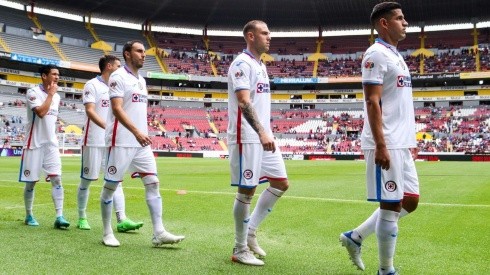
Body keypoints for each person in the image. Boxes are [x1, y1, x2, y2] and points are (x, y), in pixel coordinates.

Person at [339, 3, 419, 275]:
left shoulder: (395, 55)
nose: (405, 22)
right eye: (399, 18)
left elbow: (398, 102)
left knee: (410, 200)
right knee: (392, 203)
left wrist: (411, 139)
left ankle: (356, 236)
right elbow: (372, 101)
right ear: (384, 23)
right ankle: (386, 270)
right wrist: (382, 144)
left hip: (401, 141)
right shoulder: (375, 54)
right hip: (385, 141)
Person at [100, 40, 184, 247]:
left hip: (140, 142)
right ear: (127, 54)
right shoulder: (118, 77)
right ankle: (106, 232)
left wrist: (141, 134)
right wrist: (137, 132)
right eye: (139, 51)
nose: (143, 55)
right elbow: (117, 109)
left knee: (153, 183)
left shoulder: (141, 80)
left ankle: (159, 233)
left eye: (144, 52)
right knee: (111, 186)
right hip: (120, 140)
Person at [227, 20, 289, 266]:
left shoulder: (260, 65)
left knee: (281, 183)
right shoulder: (242, 64)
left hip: (263, 135)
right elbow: (243, 102)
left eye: (269, 33)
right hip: (248, 135)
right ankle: (239, 248)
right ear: (250, 36)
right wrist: (263, 132)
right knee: (247, 190)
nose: (269, 37)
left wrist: (266, 133)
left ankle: (250, 233)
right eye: (264, 33)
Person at [77, 55, 143, 232]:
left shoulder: (118, 85)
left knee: (116, 180)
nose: (121, 68)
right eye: (118, 65)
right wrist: (108, 126)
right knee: (87, 180)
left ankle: (122, 219)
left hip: (110, 141)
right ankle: (82, 216)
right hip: (93, 140)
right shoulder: (92, 85)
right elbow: (90, 111)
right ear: (108, 66)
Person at [19, 64, 70, 229]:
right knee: (31, 182)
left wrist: (52, 95)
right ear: (44, 76)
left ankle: (59, 216)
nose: (57, 77)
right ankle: (28, 215)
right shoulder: (33, 92)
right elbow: (41, 113)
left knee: (57, 179)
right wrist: (50, 95)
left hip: (51, 145)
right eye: (54, 74)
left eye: (58, 75)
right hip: (34, 144)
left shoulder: (57, 96)